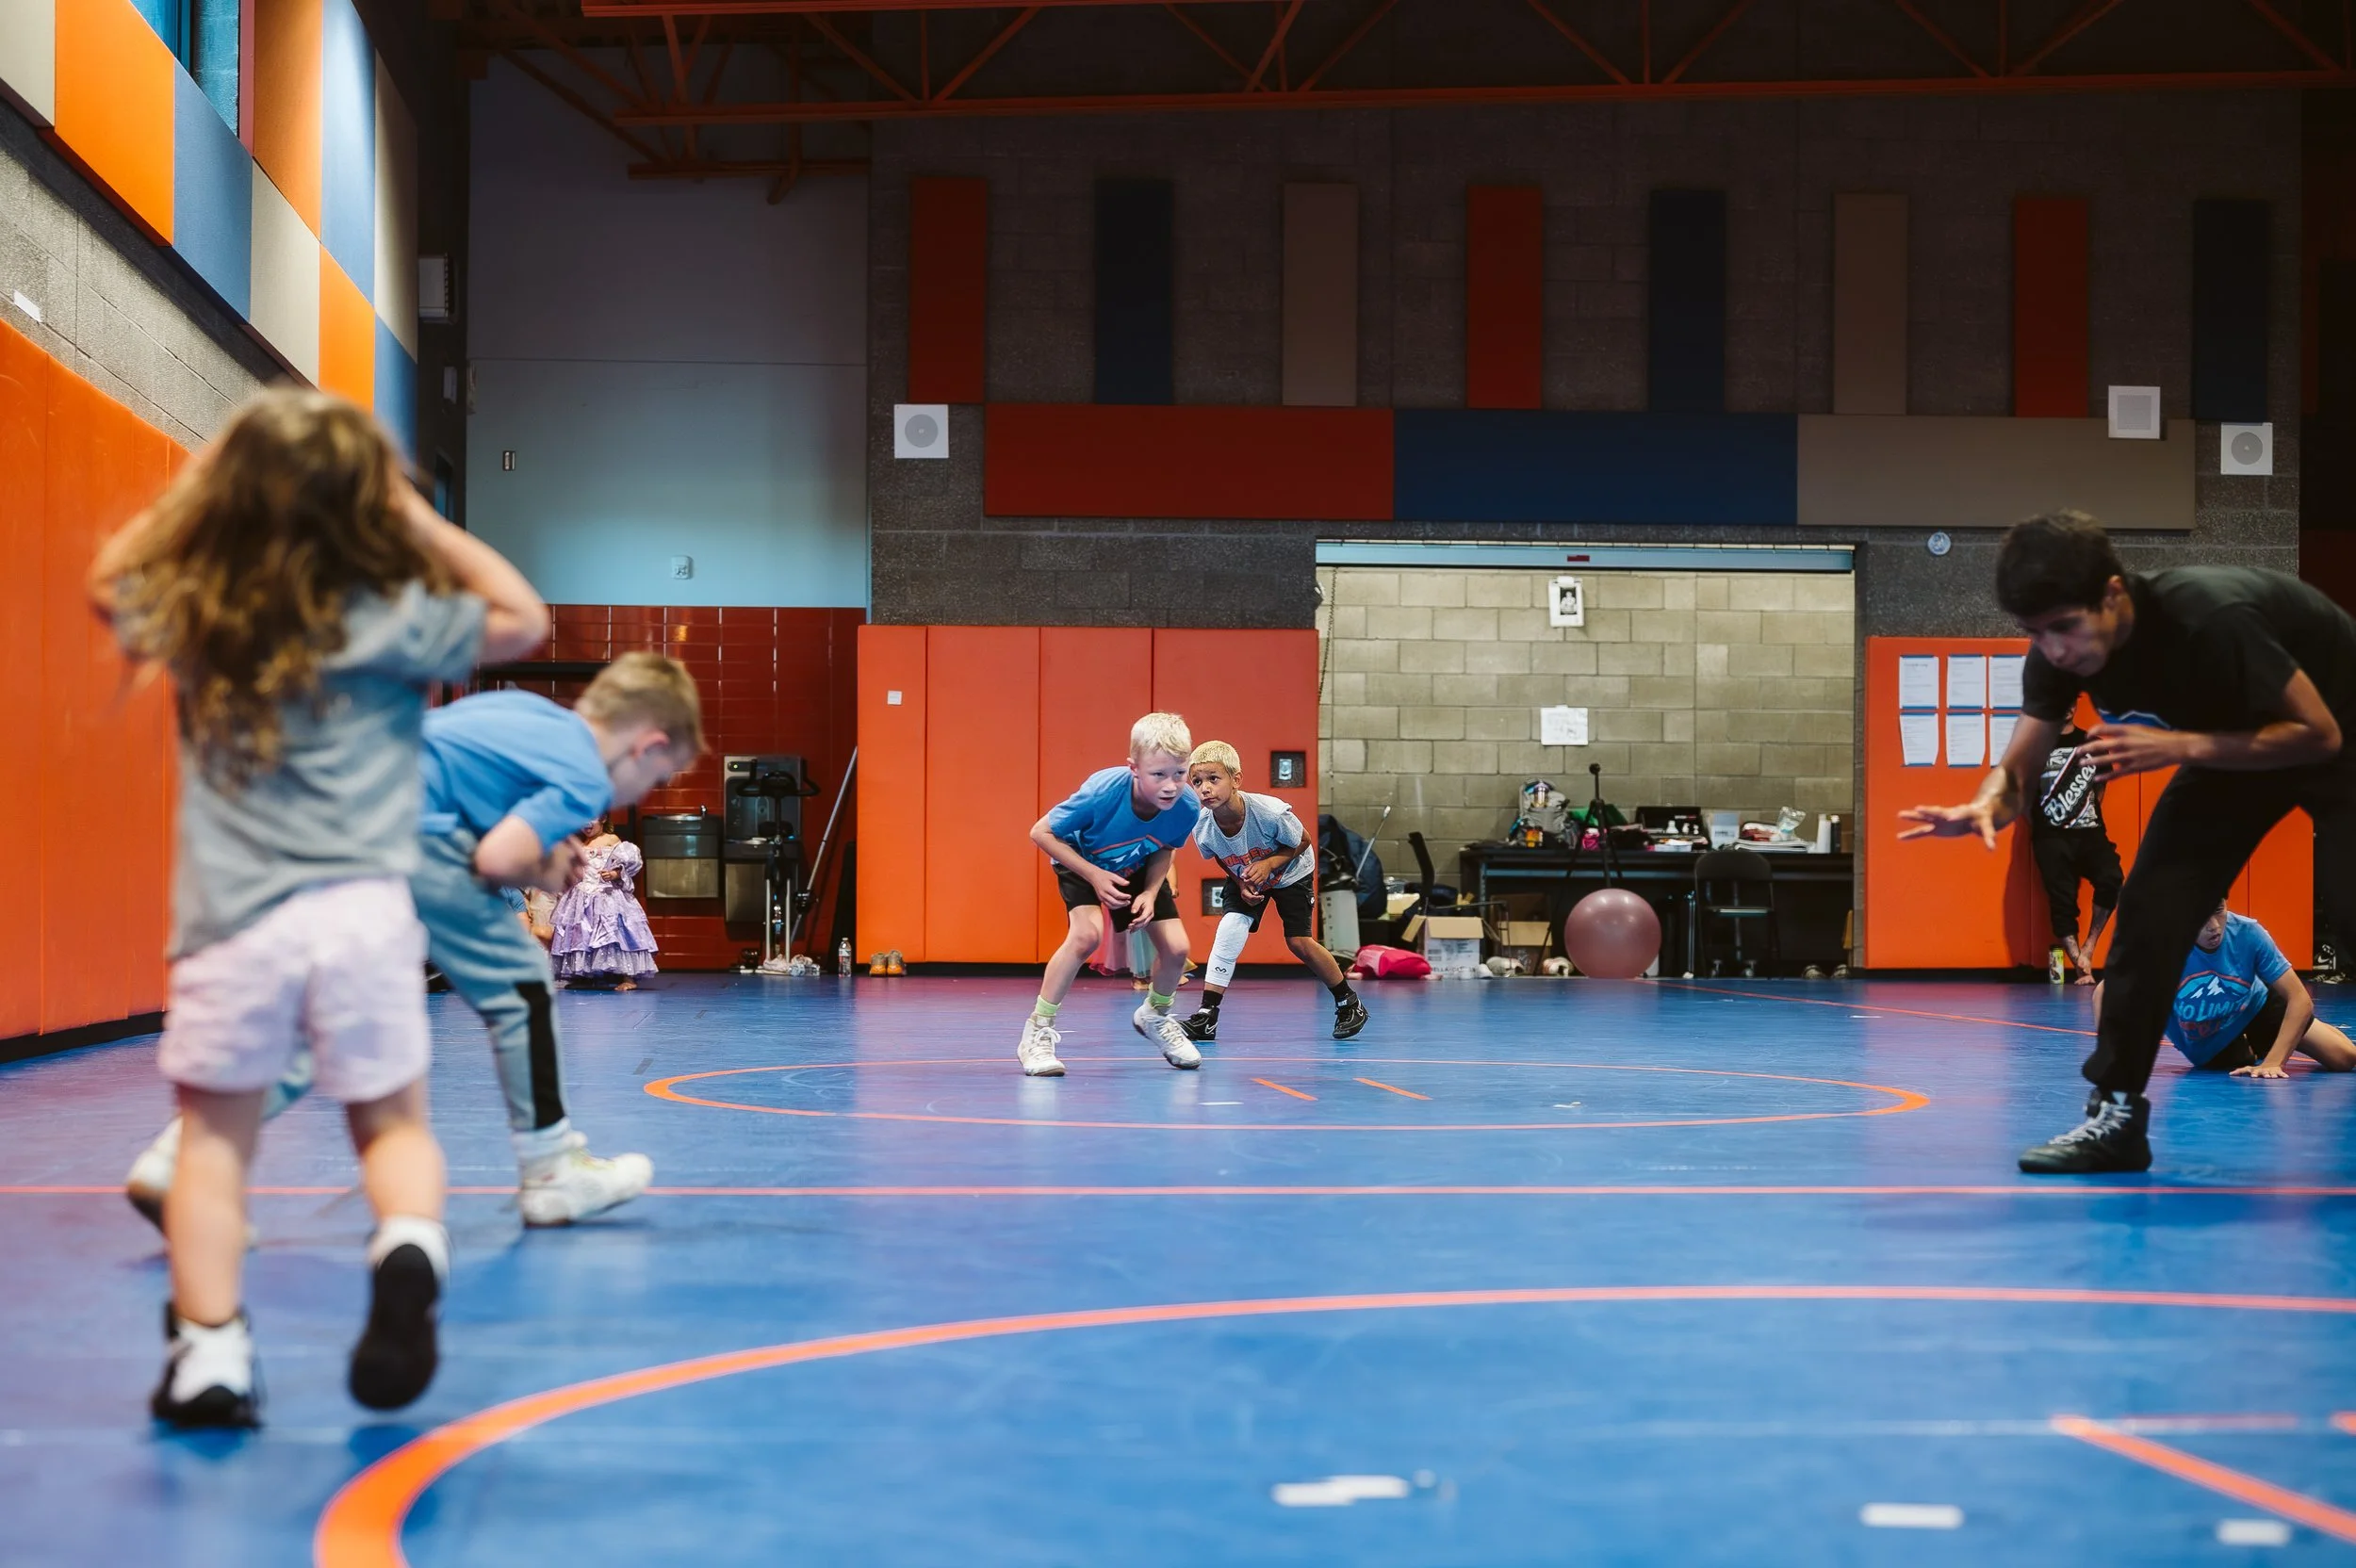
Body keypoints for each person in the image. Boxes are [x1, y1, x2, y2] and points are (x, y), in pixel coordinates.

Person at [93, 388, 547, 1428]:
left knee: (212, 1142)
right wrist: (415, 517)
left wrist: (210, 483)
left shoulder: (209, 610)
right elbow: (525, 619)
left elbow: (106, 578)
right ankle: (406, 1248)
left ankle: (209, 1355)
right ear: (367, 505)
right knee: (391, 1124)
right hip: (363, 915)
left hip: (233, 921)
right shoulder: (390, 616)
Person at [126, 653, 704, 1232]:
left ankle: (177, 1158)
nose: (635, 793)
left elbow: (442, 773)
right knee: (524, 985)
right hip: (416, 845)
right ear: (648, 746)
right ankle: (552, 1169)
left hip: (342, 830)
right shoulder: (582, 773)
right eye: (654, 779)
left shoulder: (525, 712)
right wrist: (544, 864)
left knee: (333, 1021)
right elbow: (498, 856)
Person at [1901, 511, 2356, 1173]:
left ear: (2113, 595)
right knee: (2149, 914)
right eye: (2035, 633)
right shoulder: (2057, 654)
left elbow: (2319, 735)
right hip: (2230, 745)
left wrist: (2176, 746)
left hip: (2336, 730)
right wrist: (1984, 805)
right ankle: (2114, 1117)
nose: (2052, 649)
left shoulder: (2206, 616)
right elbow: (2017, 772)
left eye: (2064, 628)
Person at [1019, 712, 1205, 1077]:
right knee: (1086, 935)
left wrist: (1152, 892)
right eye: (1159, 775)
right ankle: (1037, 1030)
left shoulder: (1186, 807)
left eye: (1179, 773)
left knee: (1177, 948)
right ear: (1134, 768)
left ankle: (1155, 1015)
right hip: (1082, 858)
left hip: (1138, 862)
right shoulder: (1102, 792)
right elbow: (1040, 832)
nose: (1171, 785)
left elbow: (1166, 847)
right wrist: (1094, 875)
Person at [1177, 742, 1366, 1042]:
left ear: (1236, 779)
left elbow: (1302, 841)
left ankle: (1349, 1003)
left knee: (1299, 941)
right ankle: (1206, 1016)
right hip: (1247, 873)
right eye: (1197, 781)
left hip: (1293, 870)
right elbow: (1221, 858)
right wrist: (1241, 883)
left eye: (1214, 779)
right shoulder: (1203, 827)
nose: (1205, 788)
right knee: (1229, 928)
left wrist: (1269, 865)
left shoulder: (1270, 813)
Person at [2095, 901, 2356, 1076]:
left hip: (2255, 1007)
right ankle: (2250, 1049)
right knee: (2236, 1065)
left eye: (2219, 910)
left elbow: (2300, 1000)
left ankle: (2277, 1045)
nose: (2214, 926)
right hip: (2210, 1040)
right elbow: (2103, 993)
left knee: (2344, 1058)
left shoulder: (2247, 933)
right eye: (2201, 918)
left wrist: (2273, 1062)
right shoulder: (2159, 947)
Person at [2030, 723, 2123, 985]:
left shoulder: (2092, 742)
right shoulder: (2036, 744)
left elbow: (2101, 785)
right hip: (2051, 837)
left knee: (2111, 878)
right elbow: (2026, 794)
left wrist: (2085, 816)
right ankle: (2080, 965)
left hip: (2090, 833)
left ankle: (2089, 949)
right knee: (2062, 900)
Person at [550, 820, 660, 989]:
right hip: (583, 895)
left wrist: (614, 873)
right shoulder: (581, 844)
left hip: (606, 894)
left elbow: (627, 865)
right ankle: (586, 976)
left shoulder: (611, 839)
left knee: (616, 934)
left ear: (602, 819)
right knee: (582, 935)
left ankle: (628, 978)